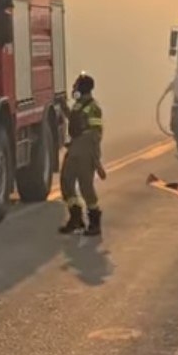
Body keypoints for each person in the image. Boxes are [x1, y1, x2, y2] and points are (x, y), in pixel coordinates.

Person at [58, 72, 106, 236]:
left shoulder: (93, 108)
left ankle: (94, 222)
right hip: (74, 150)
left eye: (77, 85)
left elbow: (95, 132)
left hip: (86, 151)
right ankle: (76, 218)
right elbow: (73, 120)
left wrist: (94, 159)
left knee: (86, 187)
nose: (74, 88)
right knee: (66, 182)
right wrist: (63, 107)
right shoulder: (78, 105)